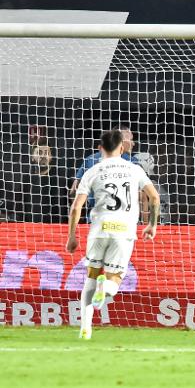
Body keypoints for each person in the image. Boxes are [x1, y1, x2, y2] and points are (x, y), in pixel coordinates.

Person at [66, 129, 160, 340]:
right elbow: (154, 198)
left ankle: (85, 329)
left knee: (90, 278)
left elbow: (75, 207)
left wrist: (71, 236)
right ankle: (105, 289)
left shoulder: (93, 170)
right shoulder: (134, 169)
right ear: (122, 147)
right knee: (114, 279)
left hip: (98, 229)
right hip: (124, 231)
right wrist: (152, 224)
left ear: (100, 149)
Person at [69, 124, 138, 200]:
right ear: (120, 140)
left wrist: (78, 209)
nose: (133, 143)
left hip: (94, 210)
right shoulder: (132, 162)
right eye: (130, 139)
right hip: (123, 211)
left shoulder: (90, 159)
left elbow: (73, 191)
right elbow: (141, 194)